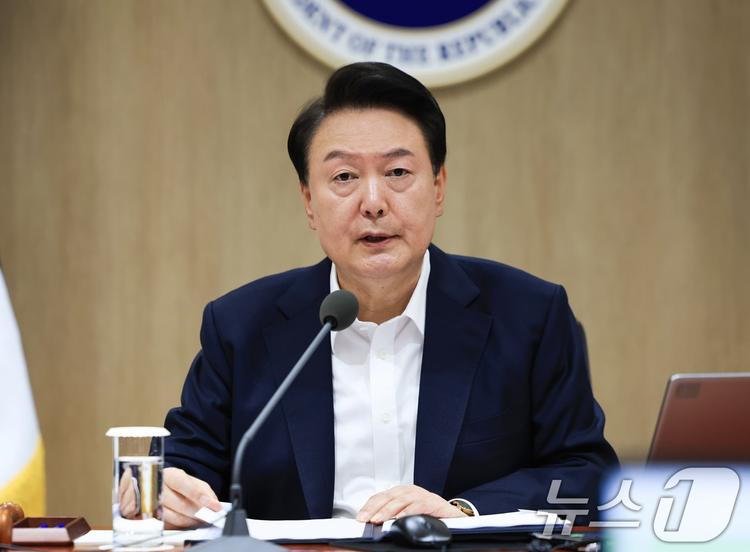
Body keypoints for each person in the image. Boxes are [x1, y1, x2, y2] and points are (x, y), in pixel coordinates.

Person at [159, 62, 618, 528]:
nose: (374, 202)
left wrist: (461, 512)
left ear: (438, 188)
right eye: (344, 177)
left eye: (398, 171)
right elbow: (184, 464)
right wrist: (167, 489)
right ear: (309, 202)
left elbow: (588, 475)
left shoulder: (528, 315)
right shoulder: (241, 326)